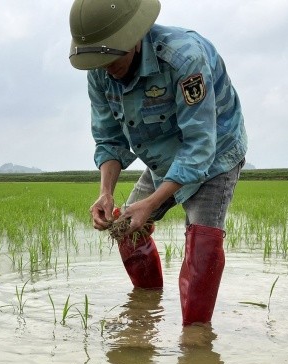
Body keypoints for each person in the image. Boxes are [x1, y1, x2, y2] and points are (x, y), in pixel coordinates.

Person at [68, 0, 247, 327]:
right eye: (99, 60)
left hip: (215, 150)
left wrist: (151, 203)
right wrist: (106, 193)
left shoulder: (184, 59)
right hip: (162, 153)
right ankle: (146, 308)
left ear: (135, 38)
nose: (106, 67)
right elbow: (109, 137)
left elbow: (199, 145)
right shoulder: (100, 70)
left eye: (112, 58)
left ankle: (195, 339)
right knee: (126, 230)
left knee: (203, 244)